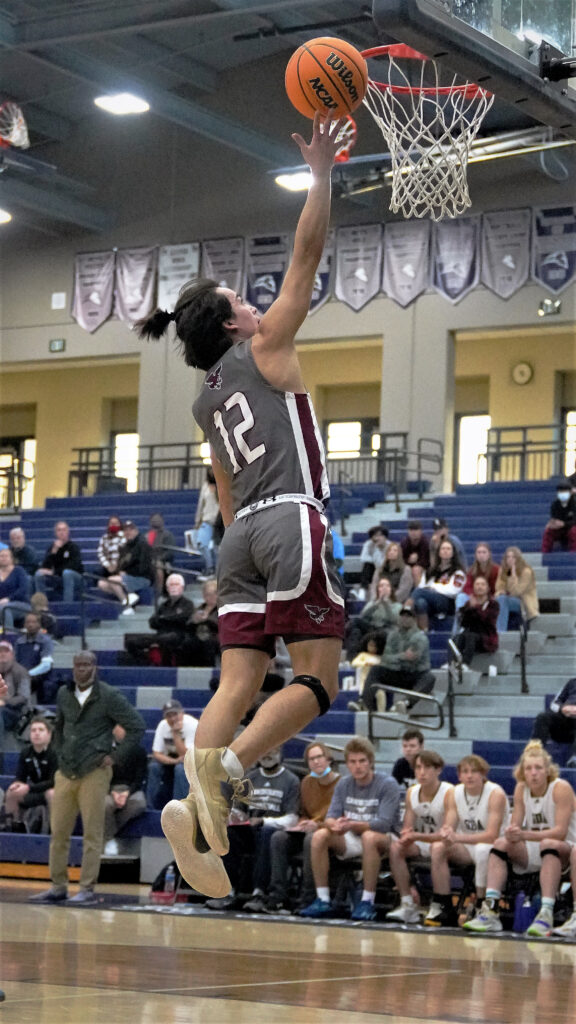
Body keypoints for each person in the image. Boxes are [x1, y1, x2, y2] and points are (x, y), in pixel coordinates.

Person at [138, 114, 348, 897]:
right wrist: (321, 175)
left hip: (238, 540)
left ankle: (198, 808)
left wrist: (229, 571)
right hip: (291, 515)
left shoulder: (205, 401)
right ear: (233, 323)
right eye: (241, 298)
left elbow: (224, 494)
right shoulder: (265, 349)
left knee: (236, 683)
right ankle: (223, 773)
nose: (257, 301)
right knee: (320, 681)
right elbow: (307, 257)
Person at [28, 650, 145, 905]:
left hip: (95, 772)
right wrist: (59, 752)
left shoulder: (109, 695)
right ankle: (58, 886)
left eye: (86, 665)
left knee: (93, 833)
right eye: (77, 665)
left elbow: (137, 726)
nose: (81, 669)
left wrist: (114, 757)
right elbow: (58, 725)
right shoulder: (63, 693)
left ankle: (87, 888)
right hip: (66, 772)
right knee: (58, 832)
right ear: (72, 668)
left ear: (95, 667)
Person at [464, 740, 576, 937]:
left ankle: (546, 913)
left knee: (548, 844)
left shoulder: (560, 788)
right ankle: (490, 909)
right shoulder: (521, 789)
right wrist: (512, 832)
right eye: (529, 768)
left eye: (538, 768)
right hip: (538, 847)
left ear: (547, 770)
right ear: (522, 771)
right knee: (501, 843)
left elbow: (560, 832)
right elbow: (515, 827)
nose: (533, 772)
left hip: (567, 848)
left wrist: (524, 834)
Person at [300, 736, 401, 921]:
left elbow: (384, 823)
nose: (358, 766)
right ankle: (322, 898)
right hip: (353, 836)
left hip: (385, 838)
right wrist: (334, 825)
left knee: (369, 837)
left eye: (362, 761)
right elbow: (331, 816)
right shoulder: (344, 784)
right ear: (347, 764)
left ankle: (367, 901)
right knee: (320, 835)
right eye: (353, 762)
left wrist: (352, 824)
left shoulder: (387, 784)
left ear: (371, 762)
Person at [205, 745, 300, 912]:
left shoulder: (291, 780)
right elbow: (239, 809)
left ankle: (260, 893)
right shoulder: (250, 778)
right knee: (229, 833)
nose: (267, 754)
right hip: (249, 830)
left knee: (266, 833)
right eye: (263, 751)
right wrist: (232, 815)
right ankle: (228, 892)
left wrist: (264, 821)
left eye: (271, 750)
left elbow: (292, 819)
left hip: (275, 832)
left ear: (280, 752)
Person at [424, 754, 509, 927]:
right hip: (467, 847)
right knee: (438, 847)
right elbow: (450, 826)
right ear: (459, 776)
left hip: (496, 848)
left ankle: (481, 904)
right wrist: (447, 833)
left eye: (474, 771)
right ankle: (443, 904)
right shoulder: (454, 793)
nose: (469, 776)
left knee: (483, 849)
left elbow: (492, 835)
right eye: (465, 772)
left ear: (483, 774)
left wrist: (458, 837)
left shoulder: (495, 793)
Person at [261, 741, 340, 914]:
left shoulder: (340, 783)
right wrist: (303, 822)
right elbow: (303, 812)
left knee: (311, 840)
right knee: (278, 838)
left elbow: (339, 819)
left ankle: (308, 897)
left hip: (330, 833)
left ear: (328, 759)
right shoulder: (306, 782)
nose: (316, 762)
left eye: (319, 757)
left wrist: (317, 825)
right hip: (307, 829)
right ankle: (278, 896)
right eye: (311, 759)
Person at [386, 750, 453, 924]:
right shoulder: (412, 792)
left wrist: (415, 835)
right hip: (425, 840)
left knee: (438, 847)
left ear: (438, 770)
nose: (421, 772)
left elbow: (446, 833)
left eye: (427, 767)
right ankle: (408, 903)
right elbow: (408, 828)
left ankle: (440, 905)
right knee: (396, 847)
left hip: (450, 843)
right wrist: (406, 836)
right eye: (418, 767)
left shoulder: (449, 792)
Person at [355, 606, 434, 715]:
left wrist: (395, 658)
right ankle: (364, 703)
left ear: (414, 619)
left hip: (415, 675)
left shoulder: (420, 638)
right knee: (376, 669)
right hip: (397, 673)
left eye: (408, 616)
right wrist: (402, 656)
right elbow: (385, 658)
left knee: (429, 677)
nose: (405, 618)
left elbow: (412, 661)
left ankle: (406, 703)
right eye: (402, 616)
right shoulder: (393, 636)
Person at [123, 572, 195, 666]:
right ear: (167, 588)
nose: (173, 587)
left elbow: (182, 619)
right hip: (160, 635)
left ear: (182, 587)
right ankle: (146, 661)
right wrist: (168, 619)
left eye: (176, 584)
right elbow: (152, 622)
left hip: (178, 635)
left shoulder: (188, 604)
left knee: (169, 638)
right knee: (131, 642)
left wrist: (163, 619)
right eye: (171, 585)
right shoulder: (163, 606)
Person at [2, 715, 57, 833]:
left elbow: (54, 782)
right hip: (34, 791)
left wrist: (28, 787)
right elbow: (20, 776)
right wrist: (16, 784)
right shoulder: (26, 752)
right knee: (12, 793)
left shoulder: (56, 753)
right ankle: (14, 829)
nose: (36, 733)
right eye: (33, 730)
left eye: (41, 730)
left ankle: (55, 832)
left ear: (49, 734)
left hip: (52, 790)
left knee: (52, 793)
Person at [147, 699, 198, 810]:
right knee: (153, 767)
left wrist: (175, 734)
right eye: (169, 716)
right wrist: (173, 761)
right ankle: (150, 808)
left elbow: (185, 755)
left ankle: (179, 809)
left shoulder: (192, 725)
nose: (173, 719)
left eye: (175, 714)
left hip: (191, 759)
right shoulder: (162, 725)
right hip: (171, 759)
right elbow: (156, 753)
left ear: (182, 713)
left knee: (180, 769)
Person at [103, 727, 148, 852]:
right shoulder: (104, 750)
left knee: (139, 803)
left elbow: (140, 778)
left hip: (131, 788)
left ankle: (110, 831)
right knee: (105, 804)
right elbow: (101, 777)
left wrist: (127, 793)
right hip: (109, 788)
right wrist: (111, 792)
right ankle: (109, 839)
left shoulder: (139, 751)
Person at [409, 540, 467, 631]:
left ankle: (407, 608)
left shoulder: (458, 572)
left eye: (448, 549)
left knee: (418, 592)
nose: (445, 551)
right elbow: (422, 586)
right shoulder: (430, 571)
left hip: (446, 602)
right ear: (439, 552)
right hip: (430, 601)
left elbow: (453, 590)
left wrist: (433, 587)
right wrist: (430, 590)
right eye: (443, 548)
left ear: (453, 553)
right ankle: (425, 631)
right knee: (420, 603)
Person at [97, 520, 154, 612]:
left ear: (136, 531)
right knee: (102, 584)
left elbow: (144, 567)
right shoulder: (123, 548)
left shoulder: (143, 545)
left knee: (113, 580)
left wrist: (127, 573)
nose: (128, 532)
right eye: (126, 530)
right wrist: (117, 570)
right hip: (127, 577)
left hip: (142, 578)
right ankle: (129, 598)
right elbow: (121, 566)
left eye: (131, 530)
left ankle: (127, 606)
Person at [344, 577, 400, 661]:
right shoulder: (372, 603)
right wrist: (377, 604)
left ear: (391, 590)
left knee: (385, 633)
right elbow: (363, 615)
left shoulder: (397, 605)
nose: (384, 588)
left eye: (387, 586)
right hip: (372, 628)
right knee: (356, 626)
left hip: (386, 629)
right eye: (381, 586)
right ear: (378, 589)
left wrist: (385, 604)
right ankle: (352, 659)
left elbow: (394, 619)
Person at [451, 576, 499, 667]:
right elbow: (464, 623)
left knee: (470, 636)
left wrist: (474, 608)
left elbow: (486, 620)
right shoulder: (469, 604)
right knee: (458, 637)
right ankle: (453, 662)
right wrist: (468, 609)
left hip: (487, 639)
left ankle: (465, 664)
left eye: (482, 584)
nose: (479, 587)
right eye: (477, 584)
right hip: (471, 636)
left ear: (488, 588)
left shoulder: (493, 604)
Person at [33, 520, 84, 603]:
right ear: (55, 533)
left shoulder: (74, 547)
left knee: (67, 573)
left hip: (76, 578)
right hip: (59, 578)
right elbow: (45, 567)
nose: (61, 532)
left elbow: (73, 566)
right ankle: (41, 605)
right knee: (39, 574)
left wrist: (54, 572)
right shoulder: (52, 548)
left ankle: (67, 606)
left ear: (68, 532)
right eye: (59, 530)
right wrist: (54, 551)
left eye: (64, 530)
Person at [531, 676, 576, 768]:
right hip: (565, 722)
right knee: (542, 717)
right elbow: (554, 703)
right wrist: (562, 708)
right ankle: (535, 755)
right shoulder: (572, 682)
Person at [494, 546, 539, 632]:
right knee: (501, 599)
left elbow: (516, 592)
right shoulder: (504, 570)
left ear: (518, 558)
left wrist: (513, 575)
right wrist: (500, 591)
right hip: (508, 599)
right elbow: (498, 588)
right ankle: (498, 631)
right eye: (508, 557)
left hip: (524, 602)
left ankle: (500, 632)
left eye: (513, 557)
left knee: (502, 599)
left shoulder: (526, 572)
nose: (510, 559)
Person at [177, 578, 220, 667]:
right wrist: (194, 621)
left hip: (215, 637)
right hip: (197, 636)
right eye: (207, 595)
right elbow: (188, 625)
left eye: (212, 594)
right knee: (186, 643)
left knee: (208, 644)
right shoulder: (200, 608)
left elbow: (222, 625)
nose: (209, 598)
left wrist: (207, 620)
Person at [14, 612, 55, 703]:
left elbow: (46, 665)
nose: (30, 625)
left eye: (33, 622)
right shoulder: (19, 642)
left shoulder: (46, 641)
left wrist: (28, 674)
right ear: (24, 624)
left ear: (39, 624)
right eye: (28, 622)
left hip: (39, 677)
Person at [453, 542, 499, 622]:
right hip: (475, 596)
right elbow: (467, 586)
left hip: (491, 597)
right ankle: (460, 626)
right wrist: (472, 596)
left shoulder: (496, 570)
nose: (481, 555)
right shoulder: (472, 570)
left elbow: (499, 587)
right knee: (461, 597)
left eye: (484, 552)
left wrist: (488, 597)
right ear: (475, 555)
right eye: (479, 552)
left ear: (489, 554)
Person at [0, 639, 31, 754]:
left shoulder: (21, 671)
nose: (2, 654)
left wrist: (6, 701)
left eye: (6, 651)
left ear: (12, 655)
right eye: (0, 651)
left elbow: (24, 696)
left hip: (17, 712)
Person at [194, 469, 221, 577]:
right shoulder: (205, 486)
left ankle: (218, 571)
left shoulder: (222, 482)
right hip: (207, 519)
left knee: (218, 549)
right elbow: (201, 504)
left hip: (220, 521)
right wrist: (197, 520)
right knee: (201, 543)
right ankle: (209, 567)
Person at [541, 479, 576, 553]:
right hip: (559, 529)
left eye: (565, 492)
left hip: (570, 528)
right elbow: (554, 518)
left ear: (570, 493)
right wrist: (552, 523)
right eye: (560, 492)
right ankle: (545, 554)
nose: (563, 494)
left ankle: (574, 554)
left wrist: (564, 524)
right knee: (548, 531)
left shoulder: (574, 504)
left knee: (574, 531)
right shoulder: (555, 505)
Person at [0, 548, 31, 628]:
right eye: (1, 556)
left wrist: (8, 599)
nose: (3, 558)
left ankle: (9, 635)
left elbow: (23, 589)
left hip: (20, 604)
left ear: (11, 558)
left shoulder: (19, 571)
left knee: (5, 608)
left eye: (6, 556)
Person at [147, 512, 176, 593]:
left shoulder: (167, 535)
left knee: (158, 566)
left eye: (158, 519)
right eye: (154, 519)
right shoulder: (148, 535)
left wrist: (159, 559)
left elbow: (170, 551)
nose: (156, 521)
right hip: (149, 562)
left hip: (163, 562)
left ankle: (158, 593)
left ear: (162, 521)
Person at [358, 526, 390, 598]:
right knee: (367, 566)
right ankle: (363, 590)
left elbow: (386, 561)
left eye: (380, 535)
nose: (377, 538)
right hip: (373, 568)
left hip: (386, 569)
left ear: (385, 537)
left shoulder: (389, 546)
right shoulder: (368, 544)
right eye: (375, 535)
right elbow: (363, 558)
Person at [400, 520, 430, 588]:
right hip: (408, 566)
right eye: (411, 530)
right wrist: (409, 561)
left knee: (416, 570)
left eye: (416, 530)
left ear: (420, 531)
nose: (413, 532)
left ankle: (418, 592)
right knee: (406, 570)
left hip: (425, 567)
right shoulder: (404, 543)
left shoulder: (426, 542)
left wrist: (417, 560)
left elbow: (427, 560)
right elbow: (401, 559)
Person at [94, 515, 125, 579]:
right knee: (96, 574)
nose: (114, 525)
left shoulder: (125, 536)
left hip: (121, 567)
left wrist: (117, 565)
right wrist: (107, 565)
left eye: (116, 523)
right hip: (109, 567)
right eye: (111, 523)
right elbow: (100, 553)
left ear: (120, 525)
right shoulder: (104, 538)